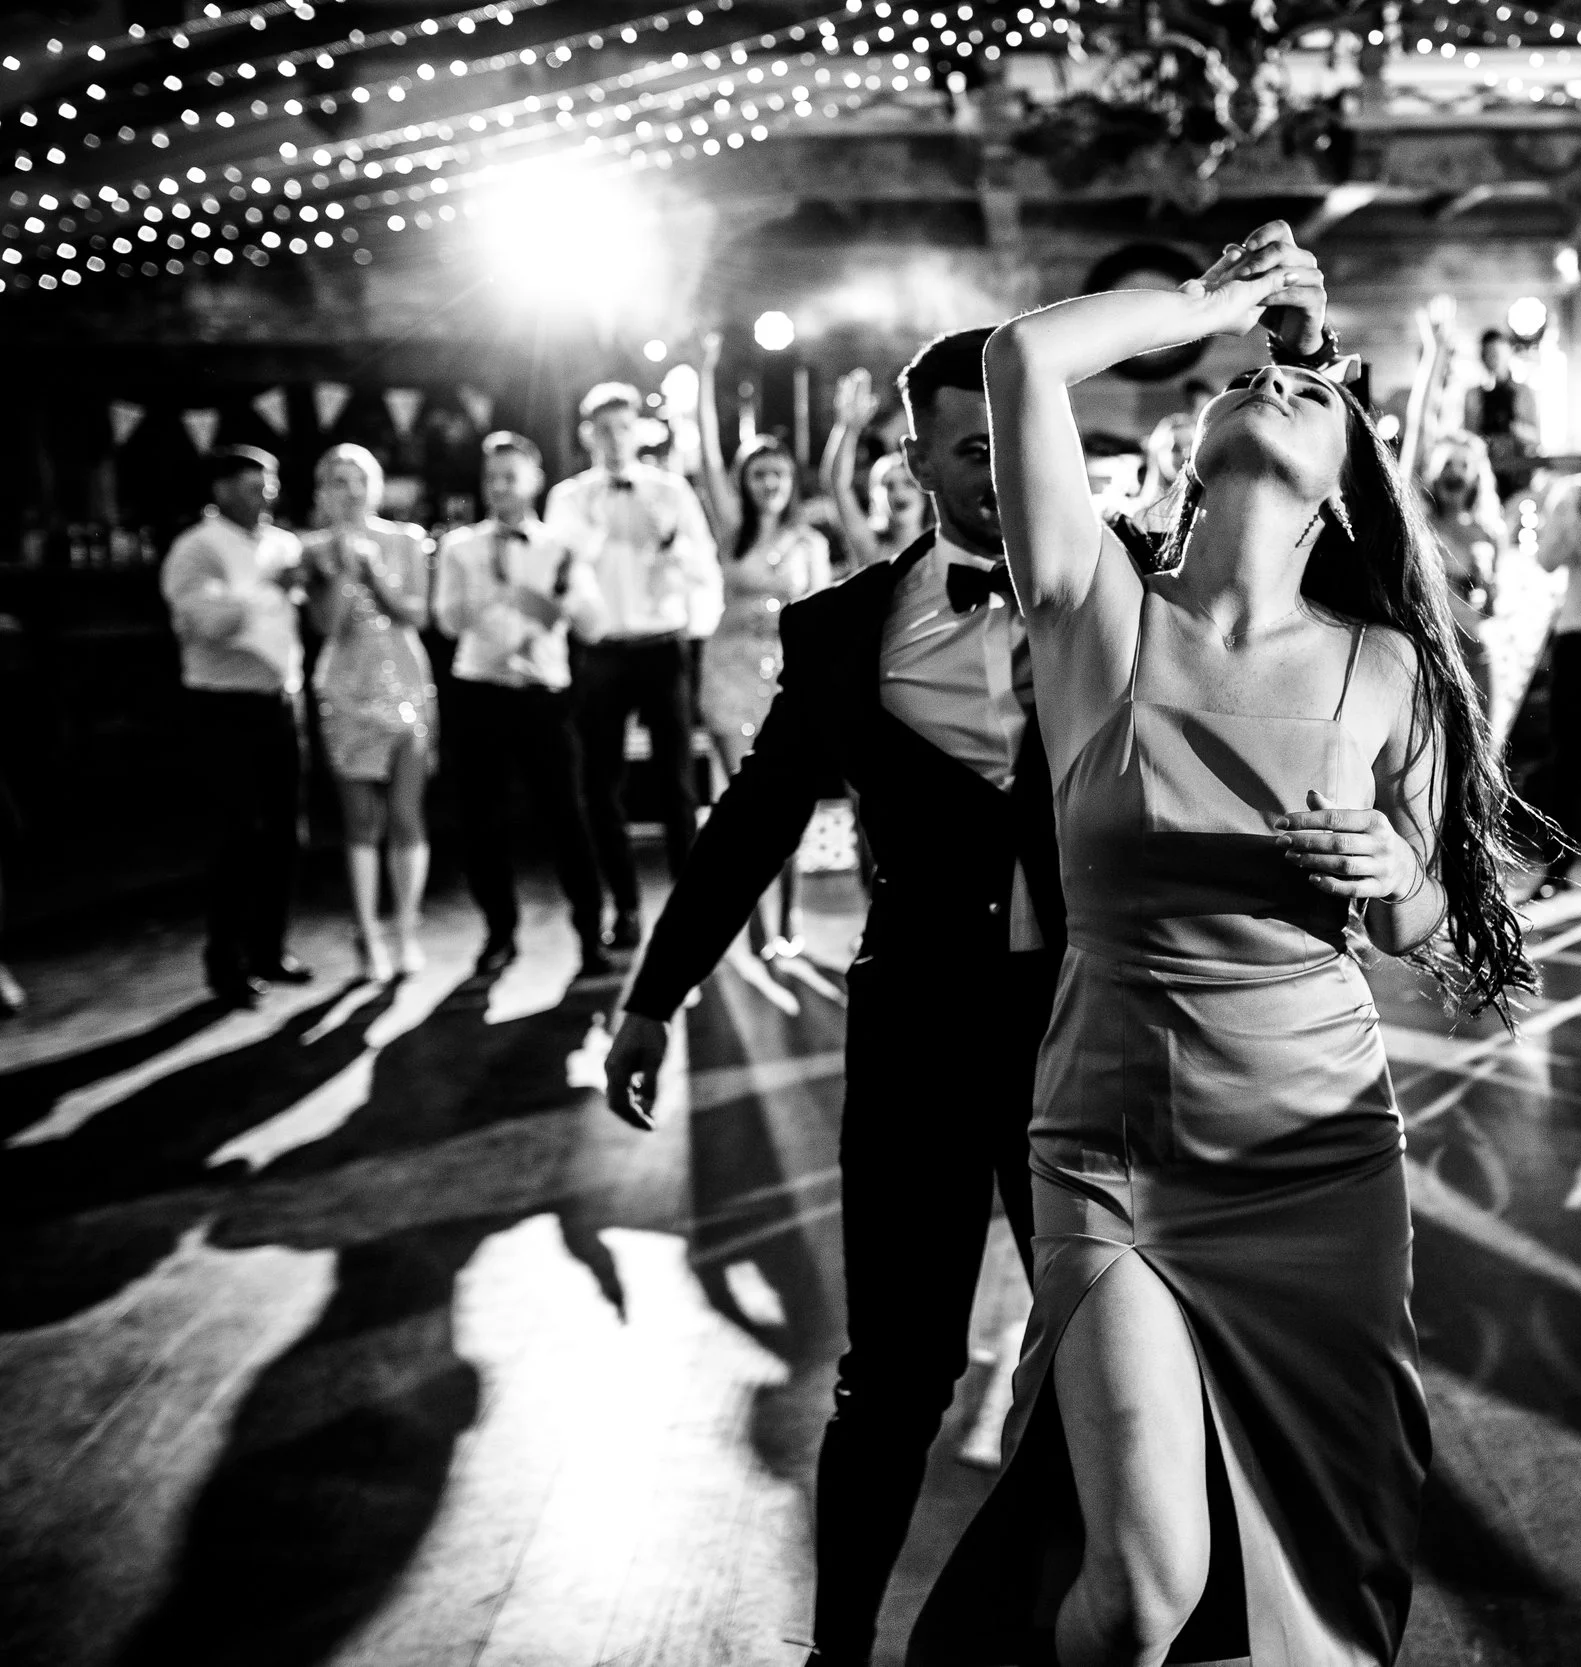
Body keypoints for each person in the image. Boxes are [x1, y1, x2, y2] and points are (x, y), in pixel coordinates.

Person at [910, 223, 1532, 1667]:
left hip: (1313, 1156)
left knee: (1318, 1606)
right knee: (1140, 1593)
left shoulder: (1387, 668)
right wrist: (1213, 302)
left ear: (1339, 499)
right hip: (1110, 1146)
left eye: (1317, 394)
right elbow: (1023, 357)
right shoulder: (1095, 609)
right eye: (1257, 378)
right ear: (1189, 450)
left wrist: (1394, 875)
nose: (1285, 384)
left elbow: (1455, 941)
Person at [604, 324, 1066, 1667]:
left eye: (1017, 440)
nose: (998, 470)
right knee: (897, 1374)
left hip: (1087, 1033)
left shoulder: (1137, 590)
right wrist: (654, 994)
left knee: (1108, 1354)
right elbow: (749, 822)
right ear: (914, 458)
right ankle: (840, 1647)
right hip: (919, 1028)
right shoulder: (842, 628)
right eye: (970, 447)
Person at [546, 382, 723, 952]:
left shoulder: (671, 491)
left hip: (662, 643)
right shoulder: (569, 498)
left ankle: (693, 908)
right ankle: (624, 907)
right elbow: (565, 571)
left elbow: (703, 568)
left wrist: (668, 537)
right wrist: (602, 522)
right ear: (586, 436)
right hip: (601, 652)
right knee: (600, 786)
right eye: (603, 430)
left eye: (624, 428)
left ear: (638, 433)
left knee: (676, 784)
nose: (615, 440)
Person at [434, 431, 614, 978]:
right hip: (480, 694)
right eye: (492, 478)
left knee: (567, 818)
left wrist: (551, 599)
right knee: (482, 820)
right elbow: (445, 622)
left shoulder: (559, 550)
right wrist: (489, 592)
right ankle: (499, 933)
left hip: (544, 698)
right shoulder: (459, 547)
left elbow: (595, 625)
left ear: (534, 481)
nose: (500, 488)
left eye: (511, 476)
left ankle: (590, 935)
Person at [695, 362, 840, 958]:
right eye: (758, 473)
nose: (769, 482)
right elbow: (705, 457)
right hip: (730, 674)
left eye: (778, 472)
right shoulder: (732, 532)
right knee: (745, 809)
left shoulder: (810, 544)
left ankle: (787, 919)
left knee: (787, 807)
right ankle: (747, 923)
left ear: (791, 479)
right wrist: (704, 376)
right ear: (745, 481)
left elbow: (824, 620)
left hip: (787, 680)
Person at [160, 446, 310, 1008]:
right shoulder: (195, 549)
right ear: (221, 490)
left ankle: (270, 949)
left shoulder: (283, 543)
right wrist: (269, 586)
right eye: (253, 486)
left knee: (284, 833)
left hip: (281, 702)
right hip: (223, 706)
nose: (267, 495)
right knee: (235, 835)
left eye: (270, 485)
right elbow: (204, 623)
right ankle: (226, 963)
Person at [299, 443, 437, 983]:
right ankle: (368, 934)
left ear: (375, 486)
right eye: (337, 480)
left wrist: (376, 574)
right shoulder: (310, 551)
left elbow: (416, 615)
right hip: (346, 691)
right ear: (322, 492)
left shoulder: (405, 540)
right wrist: (338, 567)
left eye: (359, 478)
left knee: (407, 815)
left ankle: (406, 928)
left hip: (405, 681)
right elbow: (326, 626)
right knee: (361, 821)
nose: (350, 489)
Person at [1515, 463, 1581, 894]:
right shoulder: (1570, 494)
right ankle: (1560, 863)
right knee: (1567, 753)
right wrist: (1578, 514)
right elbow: (1547, 558)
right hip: (1576, 635)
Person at [1404, 303, 1507, 703]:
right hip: (1428, 656)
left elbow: (1494, 609)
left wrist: (1488, 587)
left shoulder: (1488, 532)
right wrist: (1434, 353)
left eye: (1465, 467)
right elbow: (1418, 426)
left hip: (1477, 656)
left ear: (1476, 479)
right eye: (1448, 464)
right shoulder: (1422, 520)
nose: (1455, 473)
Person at [818, 366, 926, 569]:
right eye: (888, 485)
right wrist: (847, 428)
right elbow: (838, 486)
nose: (898, 492)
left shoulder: (942, 544)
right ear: (874, 495)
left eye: (908, 483)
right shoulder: (871, 546)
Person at [1464, 325, 1542, 500]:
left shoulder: (1523, 393)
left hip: (1518, 476)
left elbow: (1535, 437)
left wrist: (1512, 428)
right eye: (1489, 355)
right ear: (1482, 357)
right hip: (1485, 474)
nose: (1494, 360)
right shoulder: (1473, 396)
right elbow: (1468, 437)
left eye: (1497, 354)